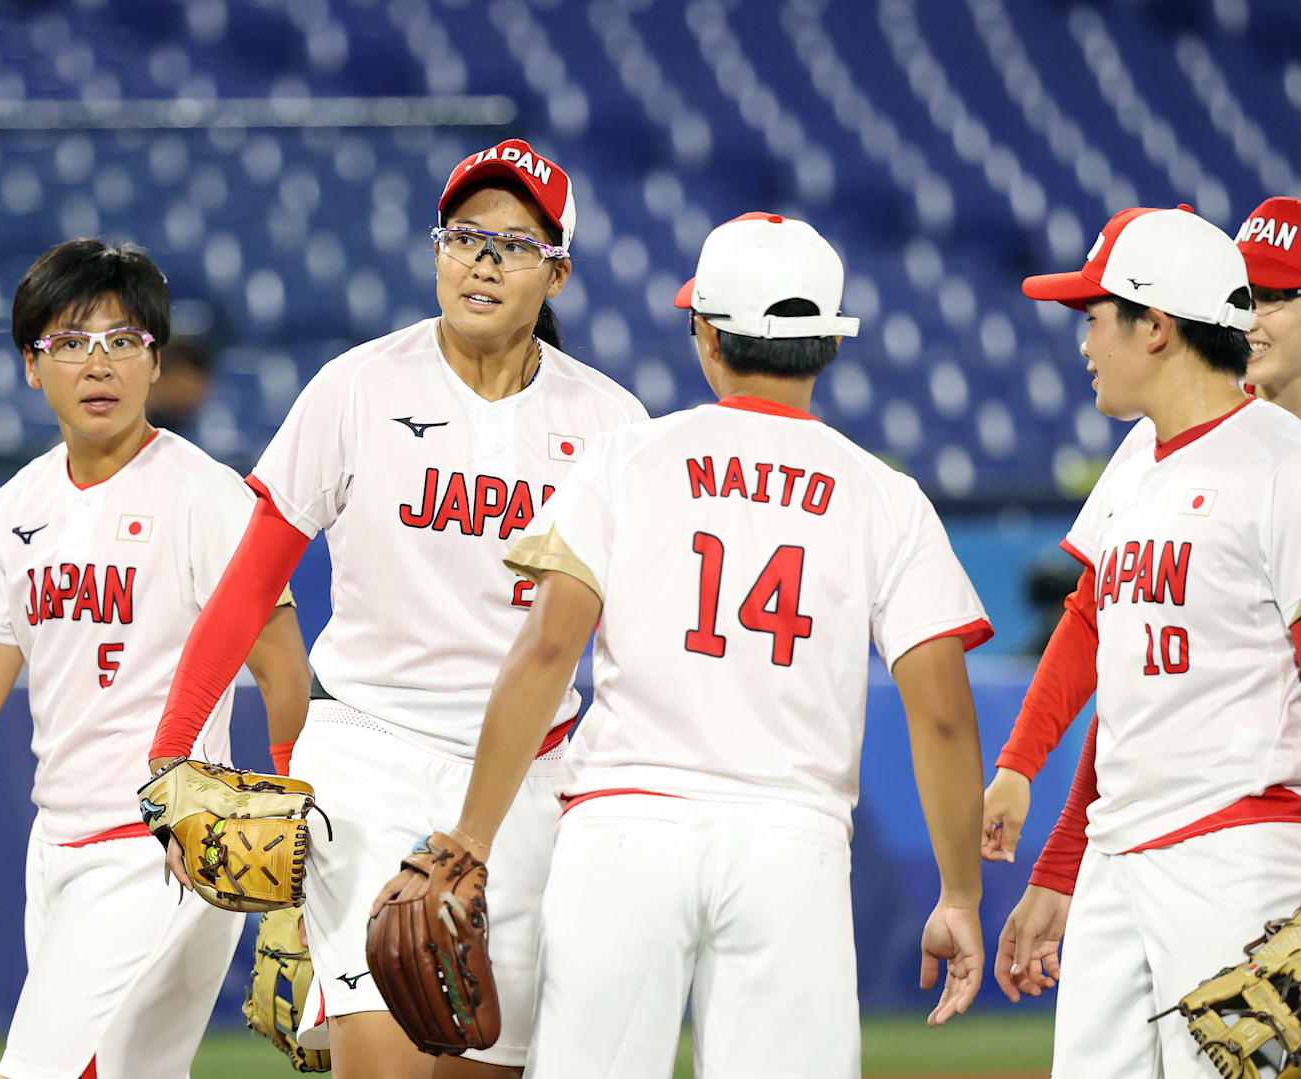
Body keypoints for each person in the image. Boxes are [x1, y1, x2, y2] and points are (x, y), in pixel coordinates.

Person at [408, 212, 992, 1077]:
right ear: (829, 342)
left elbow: (543, 653)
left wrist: (472, 839)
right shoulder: (887, 496)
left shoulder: (624, 458)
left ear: (705, 334)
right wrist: (961, 893)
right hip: (790, 843)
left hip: (625, 830)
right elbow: (941, 715)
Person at [148, 138, 648, 1078]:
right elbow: (252, 581)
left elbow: (638, 641)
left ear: (560, 272)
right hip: (371, 759)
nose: (483, 261)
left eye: (513, 243)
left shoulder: (612, 425)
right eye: (463, 237)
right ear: (435, 254)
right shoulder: (358, 385)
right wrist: (173, 752)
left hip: (530, 783)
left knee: (482, 1065)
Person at [985, 196, 1301, 1077]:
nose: (1081, 340)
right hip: (1127, 849)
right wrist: (1063, 854)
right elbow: (1124, 677)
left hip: (1253, 850)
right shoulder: (1142, 461)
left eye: (1092, 316)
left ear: (1155, 326)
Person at [0, 239, 309, 1079]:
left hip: (168, 844)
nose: (98, 362)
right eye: (69, 341)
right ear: (31, 367)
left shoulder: (206, 494)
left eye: (124, 341)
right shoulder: (18, 508)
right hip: (61, 844)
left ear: (157, 362)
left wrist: (298, 852)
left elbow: (285, 668)